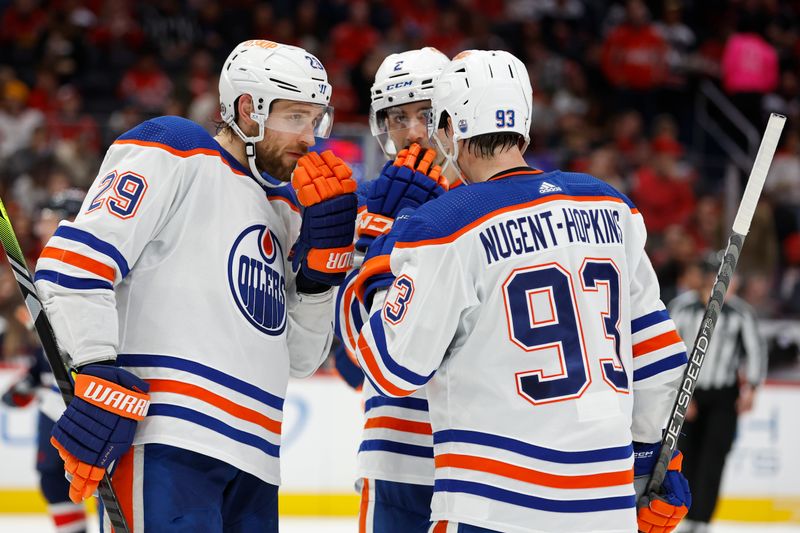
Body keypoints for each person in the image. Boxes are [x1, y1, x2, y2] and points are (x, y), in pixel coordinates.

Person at [353, 49, 692, 533]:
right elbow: (659, 361)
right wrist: (650, 467)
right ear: (525, 120)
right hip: (603, 506)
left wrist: (382, 254)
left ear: (450, 127)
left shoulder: (447, 223)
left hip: (491, 506)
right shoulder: (612, 205)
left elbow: (392, 368)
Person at [32, 39, 358, 532]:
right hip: (168, 440)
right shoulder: (173, 147)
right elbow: (75, 265)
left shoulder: (289, 211)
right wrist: (96, 369)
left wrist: (317, 281)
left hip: (257, 459)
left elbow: (300, 359)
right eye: (295, 117)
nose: (310, 138)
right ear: (249, 109)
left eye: (316, 120)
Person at [333, 47, 456, 532]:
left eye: (425, 113)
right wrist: (379, 238)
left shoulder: (487, 201)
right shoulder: (363, 206)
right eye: (398, 117)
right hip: (394, 453)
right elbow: (350, 362)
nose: (413, 132)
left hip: (483, 455)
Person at [2, 190, 89, 533]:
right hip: (55, 397)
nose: (41, 227)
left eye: (50, 219)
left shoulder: (92, 265)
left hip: (88, 391)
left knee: (100, 479)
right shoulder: (44, 268)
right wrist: (35, 374)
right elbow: (49, 339)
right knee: (53, 479)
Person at [670, 253, 767, 533]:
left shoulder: (740, 312)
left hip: (723, 394)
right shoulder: (682, 308)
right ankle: (680, 514)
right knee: (683, 457)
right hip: (688, 392)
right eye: (712, 276)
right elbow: (668, 349)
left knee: (715, 455)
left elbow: (755, 351)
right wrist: (678, 393)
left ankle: (701, 520)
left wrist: (752, 388)